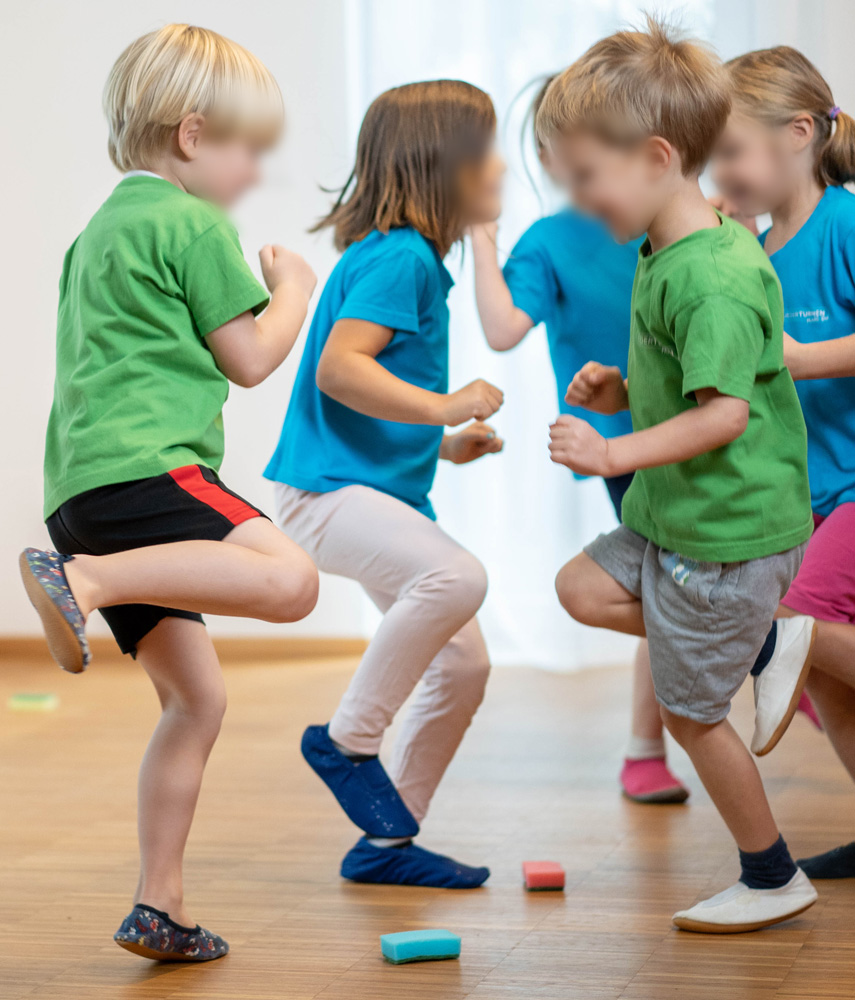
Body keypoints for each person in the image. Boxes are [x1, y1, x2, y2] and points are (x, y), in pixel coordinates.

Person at [20, 24, 319, 960]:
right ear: (192, 135)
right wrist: (295, 289)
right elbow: (250, 359)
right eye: (247, 149)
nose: (252, 172)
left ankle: (160, 905)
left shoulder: (95, 234)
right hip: (151, 473)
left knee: (195, 702)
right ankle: (86, 583)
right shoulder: (192, 223)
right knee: (292, 581)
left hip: (80, 494)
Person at [539, 18, 818, 932]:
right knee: (580, 587)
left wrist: (610, 451)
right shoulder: (665, 248)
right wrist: (624, 390)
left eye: (586, 175)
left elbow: (725, 414)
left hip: (728, 531)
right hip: (678, 515)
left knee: (691, 712)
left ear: (657, 157)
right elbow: (699, 378)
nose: (578, 199)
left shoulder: (710, 276)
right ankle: (759, 643)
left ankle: (772, 875)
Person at [264, 80, 505, 888]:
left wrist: (440, 447)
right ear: (442, 166)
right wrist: (443, 407)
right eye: (485, 152)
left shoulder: (404, 258)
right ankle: (346, 741)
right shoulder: (401, 256)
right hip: (325, 495)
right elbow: (339, 369)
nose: (499, 167)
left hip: (357, 489)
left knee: (463, 665)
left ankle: (385, 844)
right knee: (457, 576)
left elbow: (363, 393)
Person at [470, 77, 688, 805]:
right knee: (666, 584)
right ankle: (645, 748)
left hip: (697, 423)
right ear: (547, 158)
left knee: (686, 584)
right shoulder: (547, 241)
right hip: (618, 445)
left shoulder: (663, 220)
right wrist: (481, 237)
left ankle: (762, 660)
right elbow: (503, 327)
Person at [714, 46, 855, 880]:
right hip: (813, 493)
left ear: (798, 134)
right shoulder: (756, 252)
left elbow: (793, 364)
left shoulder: (845, 225)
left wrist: (805, 360)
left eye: (731, 150)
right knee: (828, 682)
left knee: (793, 624)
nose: (719, 172)